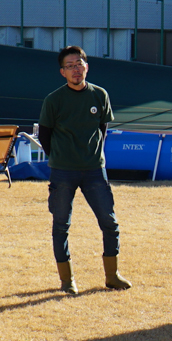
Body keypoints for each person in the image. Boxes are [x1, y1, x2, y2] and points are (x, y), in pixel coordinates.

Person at [39, 46, 128, 294]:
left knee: (110, 223)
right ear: (62, 72)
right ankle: (67, 281)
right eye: (70, 66)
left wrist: (92, 156)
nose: (76, 69)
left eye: (79, 64)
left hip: (94, 171)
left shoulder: (100, 95)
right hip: (63, 172)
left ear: (87, 67)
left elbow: (102, 128)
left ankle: (112, 275)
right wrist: (60, 157)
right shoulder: (53, 100)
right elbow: (45, 136)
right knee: (61, 226)